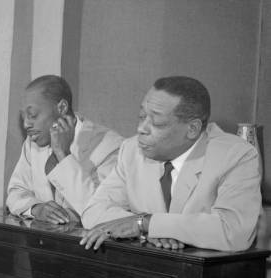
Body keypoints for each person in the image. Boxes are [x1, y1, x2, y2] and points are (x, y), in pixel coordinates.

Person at [80, 76, 261, 252]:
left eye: (156, 122)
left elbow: (234, 232)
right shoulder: (132, 150)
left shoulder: (235, 155)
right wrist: (145, 227)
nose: (141, 129)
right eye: (141, 116)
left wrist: (149, 224)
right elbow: (93, 211)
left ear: (192, 129)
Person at [6, 75, 123, 225]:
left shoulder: (110, 146)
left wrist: (63, 154)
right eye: (23, 117)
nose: (26, 124)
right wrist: (36, 208)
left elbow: (101, 210)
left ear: (62, 108)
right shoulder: (32, 144)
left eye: (33, 115)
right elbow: (16, 192)